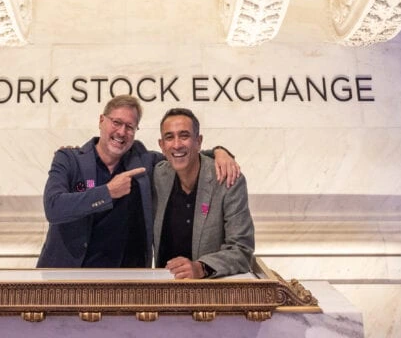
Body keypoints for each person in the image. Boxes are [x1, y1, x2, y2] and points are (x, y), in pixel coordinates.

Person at [36, 95, 240, 268]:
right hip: (67, 277)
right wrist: (107, 192)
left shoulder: (144, 161)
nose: (122, 132)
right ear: (101, 121)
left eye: (130, 127)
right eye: (116, 123)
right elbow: (54, 208)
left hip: (128, 283)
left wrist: (219, 152)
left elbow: (181, 155)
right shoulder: (69, 159)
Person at [153, 107, 255, 278]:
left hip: (212, 291)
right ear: (162, 146)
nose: (177, 144)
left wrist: (201, 268)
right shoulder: (157, 174)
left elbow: (241, 250)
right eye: (169, 137)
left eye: (184, 136)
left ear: (198, 141)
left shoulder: (228, 179)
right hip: (164, 289)